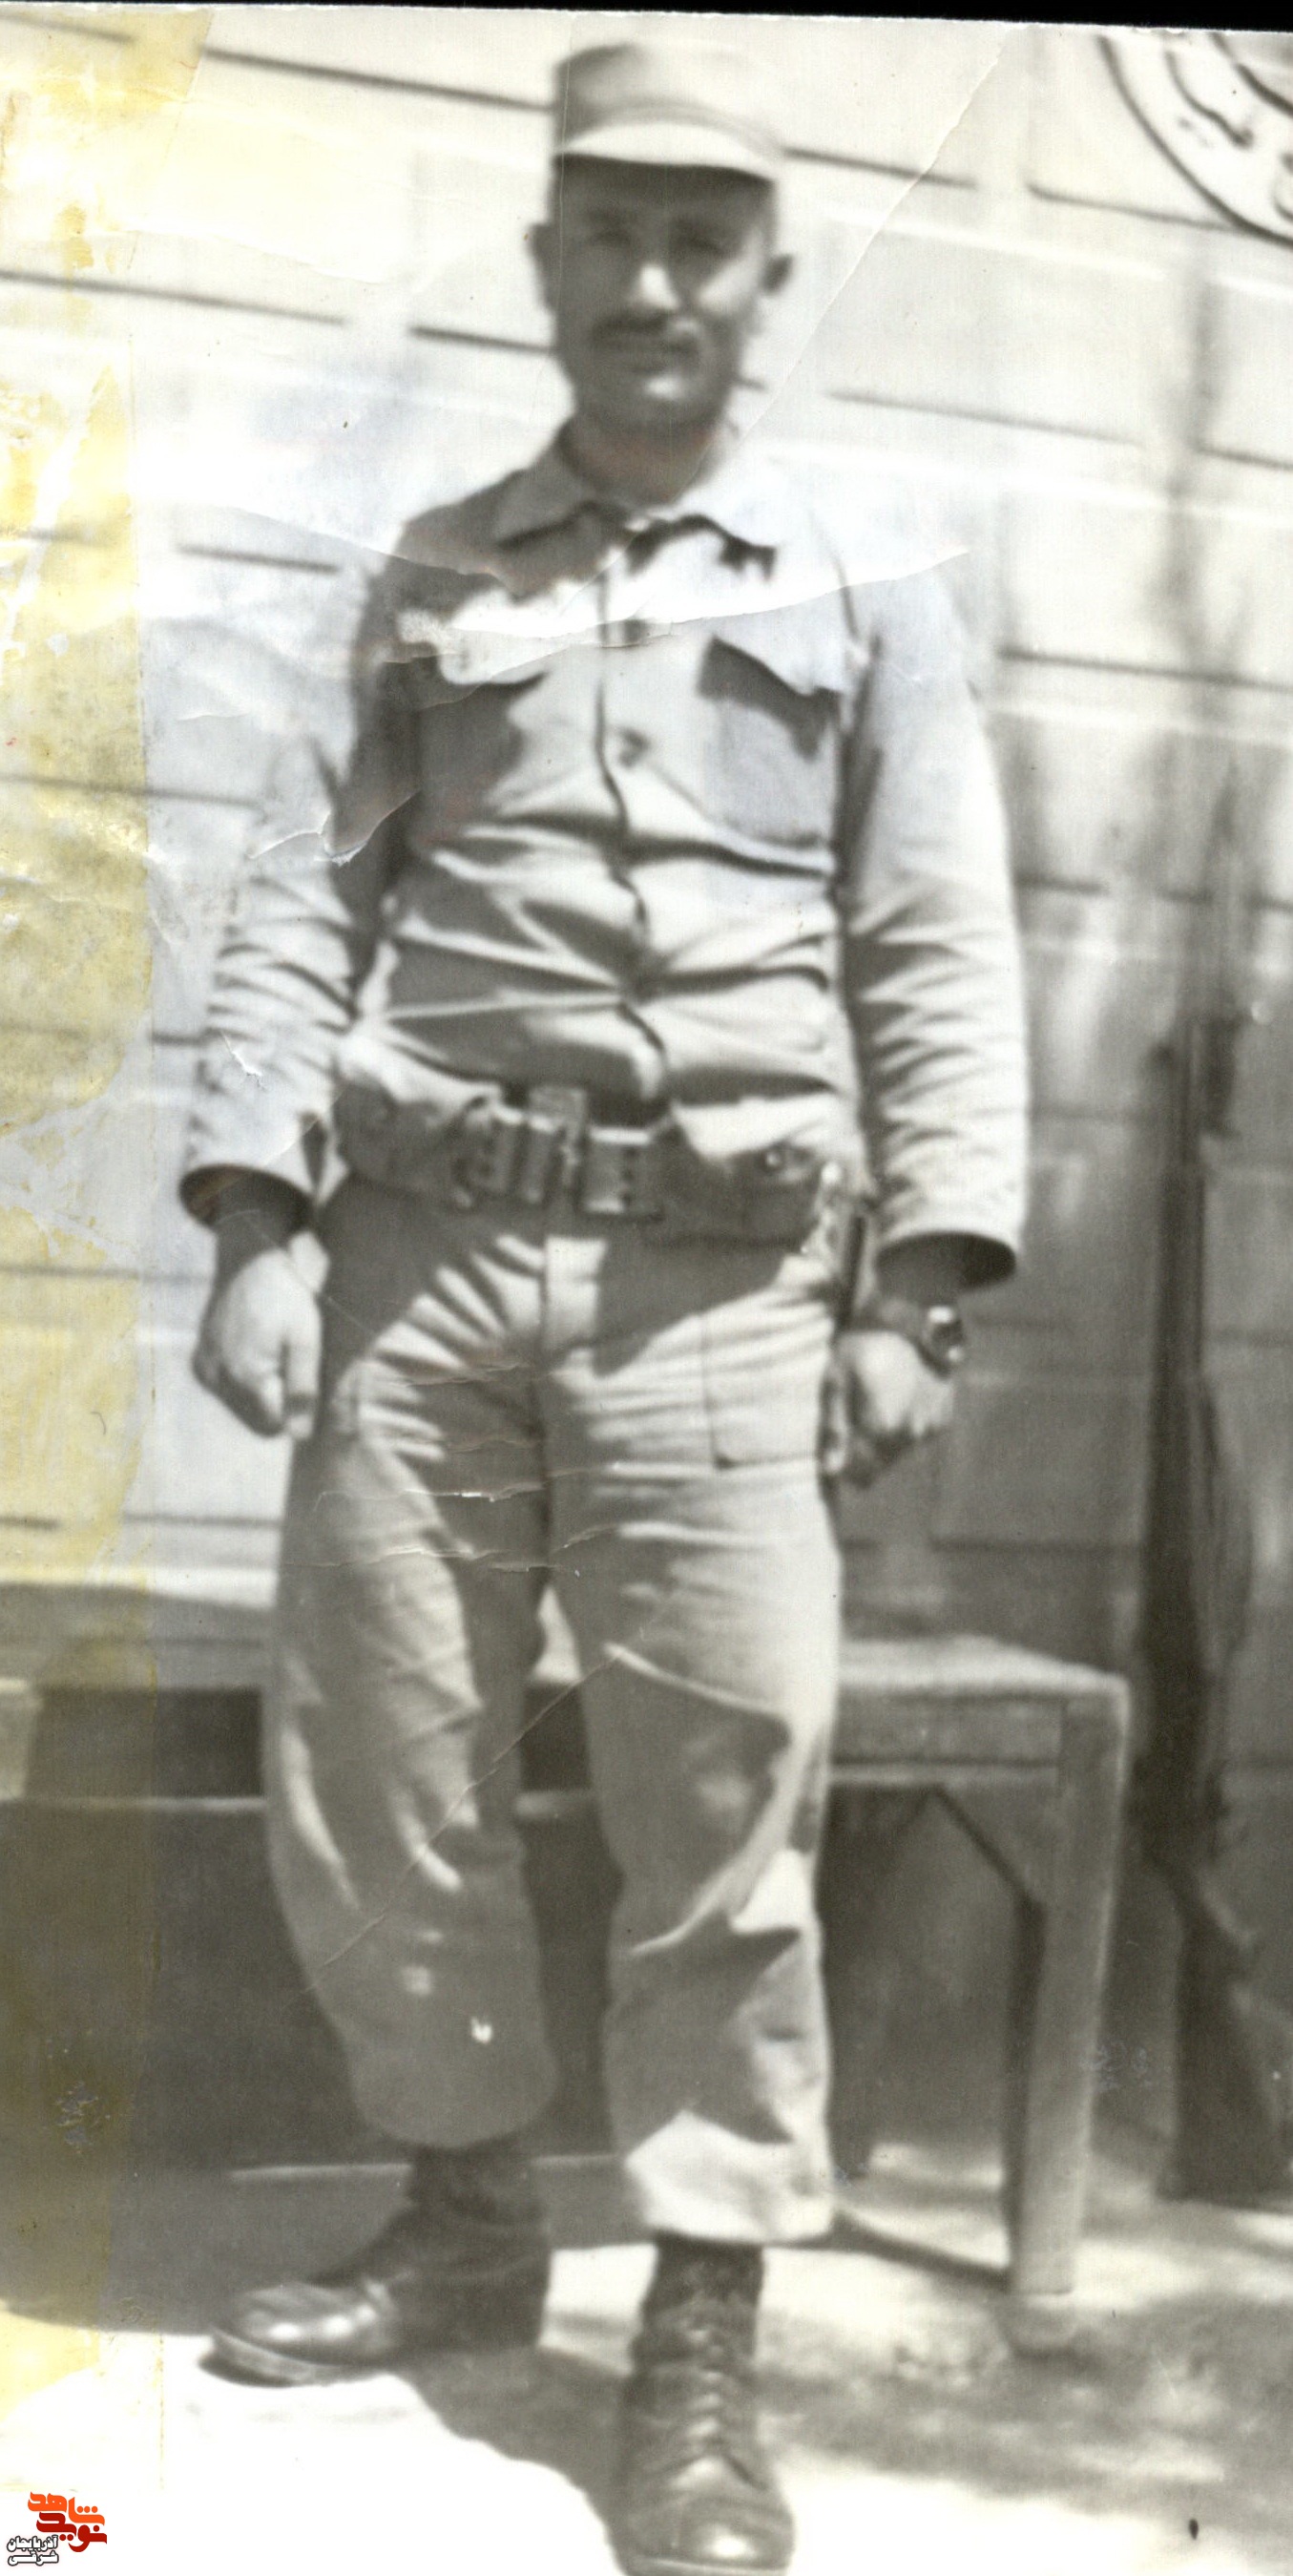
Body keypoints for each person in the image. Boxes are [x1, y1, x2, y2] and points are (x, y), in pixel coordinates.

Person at [181, 38, 1027, 2576]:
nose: (653, 283)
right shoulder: (431, 576)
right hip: (421, 1263)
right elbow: (297, 900)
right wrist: (253, 1219)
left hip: (721, 1294)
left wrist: (922, 1288)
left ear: (765, 282)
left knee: (721, 1814)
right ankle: (464, 2221)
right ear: (547, 264)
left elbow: (934, 946)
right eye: (611, 237)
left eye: (701, 243)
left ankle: (696, 2342)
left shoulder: (866, 590)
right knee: (383, 1774)